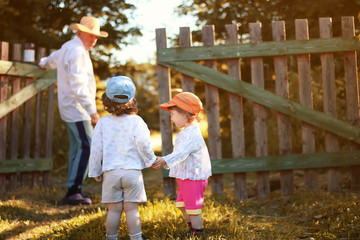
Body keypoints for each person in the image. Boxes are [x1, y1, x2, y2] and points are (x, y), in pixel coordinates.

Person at [38, 16, 108, 205]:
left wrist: (41, 63)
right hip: (77, 108)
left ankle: (74, 189)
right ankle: (73, 192)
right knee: (88, 146)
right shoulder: (76, 51)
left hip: (74, 107)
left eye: (96, 37)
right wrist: (92, 111)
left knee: (79, 147)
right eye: (91, 36)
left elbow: (52, 59)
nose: (94, 40)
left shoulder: (69, 47)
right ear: (80, 32)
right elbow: (78, 85)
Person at [88, 76, 156, 240]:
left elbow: (96, 149)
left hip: (111, 173)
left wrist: (95, 170)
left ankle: (111, 237)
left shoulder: (103, 123)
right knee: (132, 209)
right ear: (132, 99)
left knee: (114, 210)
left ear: (107, 100)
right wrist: (150, 160)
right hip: (132, 173)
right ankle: (136, 238)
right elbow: (143, 143)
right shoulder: (137, 121)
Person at [152, 92, 212, 236]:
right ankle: (192, 226)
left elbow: (181, 153)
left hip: (194, 177)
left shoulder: (192, 134)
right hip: (186, 176)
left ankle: (197, 232)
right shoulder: (186, 132)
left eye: (172, 114)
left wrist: (165, 160)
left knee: (193, 208)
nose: (171, 118)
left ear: (185, 114)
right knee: (181, 204)